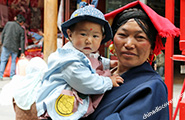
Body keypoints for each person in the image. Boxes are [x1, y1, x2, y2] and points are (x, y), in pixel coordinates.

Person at [81, 1, 180, 120]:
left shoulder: (152, 88)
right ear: (112, 40)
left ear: (152, 47)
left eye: (140, 37)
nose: (129, 44)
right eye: (123, 35)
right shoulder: (98, 74)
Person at [36, 6, 123, 120]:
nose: (89, 40)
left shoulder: (83, 52)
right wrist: (108, 82)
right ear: (70, 34)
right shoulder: (69, 60)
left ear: (102, 38)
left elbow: (94, 60)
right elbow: (85, 83)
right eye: (83, 34)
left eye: (95, 36)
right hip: (59, 106)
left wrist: (109, 63)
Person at [0, 14, 26, 80]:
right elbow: (22, 41)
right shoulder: (21, 29)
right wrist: (22, 51)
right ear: (21, 22)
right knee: (13, 61)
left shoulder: (8, 24)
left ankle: (0, 75)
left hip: (6, 45)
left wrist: (3, 42)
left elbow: (3, 33)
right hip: (15, 47)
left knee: (3, 60)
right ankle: (12, 75)